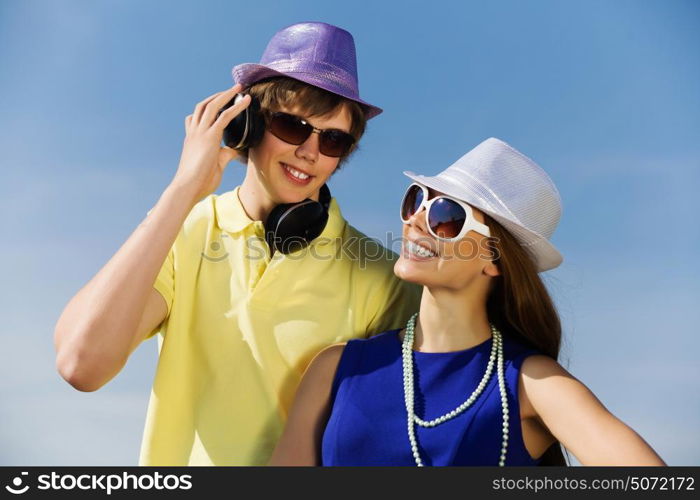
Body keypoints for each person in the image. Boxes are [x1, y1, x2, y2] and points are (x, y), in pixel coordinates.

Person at [53, 22, 420, 465]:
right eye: (292, 125)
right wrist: (182, 192)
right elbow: (81, 365)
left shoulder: (382, 275)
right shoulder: (184, 231)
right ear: (247, 125)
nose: (310, 150)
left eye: (333, 139)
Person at [269, 137, 666, 466]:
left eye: (446, 215)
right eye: (416, 200)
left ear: (494, 259)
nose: (415, 221)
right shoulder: (336, 368)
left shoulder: (532, 383)